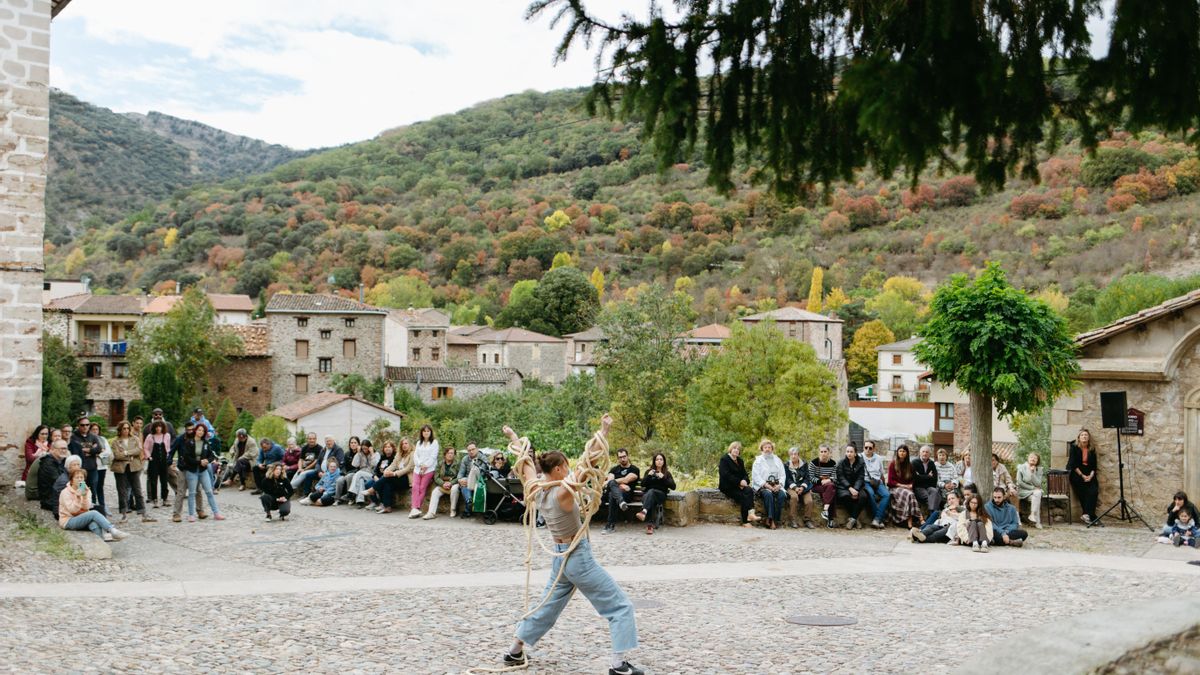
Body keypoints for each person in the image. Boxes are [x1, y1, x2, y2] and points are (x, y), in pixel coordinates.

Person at [502, 415, 642, 675]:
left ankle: (514, 651)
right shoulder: (562, 492)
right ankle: (619, 665)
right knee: (620, 606)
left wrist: (512, 436)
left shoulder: (536, 487)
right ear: (558, 469)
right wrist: (604, 430)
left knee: (546, 605)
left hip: (560, 556)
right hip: (577, 556)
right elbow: (588, 464)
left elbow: (524, 463)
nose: (569, 469)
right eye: (566, 466)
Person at [59, 466, 128, 542]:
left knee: (94, 524)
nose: (79, 479)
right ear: (72, 480)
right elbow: (72, 510)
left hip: (82, 517)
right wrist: (78, 498)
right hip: (68, 520)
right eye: (77, 477)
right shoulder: (65, 492)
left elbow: (87, 507)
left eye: (81, 478)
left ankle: (101, 543)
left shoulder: (86, 490)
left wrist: (84, 496)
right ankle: (112, 530)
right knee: (94, 513)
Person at [179, 424, 224, 522]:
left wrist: (207, 461)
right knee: (192, 493)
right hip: (192, 471)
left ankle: (216, 513)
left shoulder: (205, 443)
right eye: (199, 430)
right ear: (195, 430)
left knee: (209, 491)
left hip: (203, 471)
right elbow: (187, 458)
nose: (200, 432)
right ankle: (191, 515)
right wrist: (199, 462)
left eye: (202, 431)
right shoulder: (189, 442)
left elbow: (211, 455)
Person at [111, 421, 154, 523]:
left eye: (127, 428)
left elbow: (138, 450)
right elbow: (117, 455)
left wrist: (126, 452)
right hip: (120, 468)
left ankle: (143, 513)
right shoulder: (116, 441)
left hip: (133, 467)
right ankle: (124, 514)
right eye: (124, 429)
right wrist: (129, 455)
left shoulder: (135, 439)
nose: (126, 430)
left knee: (137, 490)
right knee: (122, 491)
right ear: (120, 430)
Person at [364, 439, 413, 513]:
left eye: (406, 443)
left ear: (410, 444)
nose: (404, 445)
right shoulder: (399, 454)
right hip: (397, 478)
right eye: (402, 444)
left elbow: (408, 468)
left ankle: (372, 490)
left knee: (388, 478)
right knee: (387, 483)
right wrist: (386, 471)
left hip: (406, 478)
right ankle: (387, 507)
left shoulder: (412, 454)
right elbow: (393, 465)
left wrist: (394, 473)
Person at [718, 441, 759, 527]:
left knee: (749, 490)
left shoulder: (740, 461)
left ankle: (751, 513)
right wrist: (739, 482)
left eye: (738, 449)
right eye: (734, 448)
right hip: (728, 487)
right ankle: (745, 521)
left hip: (739, 486)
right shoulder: (724, 459)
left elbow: (745, 475)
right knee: (744, 496)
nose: (736, 450)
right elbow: (726, 475)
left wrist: (745, 481)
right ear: (730, 449)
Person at [602, 447, 641, 534]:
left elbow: (626, 480)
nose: (622, 459)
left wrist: (616, 483)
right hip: (618, 496)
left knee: (612, 493)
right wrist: (620, 485)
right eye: (620, 457)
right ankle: (620, 502)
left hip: (626, 495)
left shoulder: (634, 469)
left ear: (628, 456)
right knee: (612, 494)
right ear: (618, 458)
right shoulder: (614, 469)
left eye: (624, 456)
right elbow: (609, 482)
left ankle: (610, 525)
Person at [68, 416, 104, 511]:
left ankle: (93, 508)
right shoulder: (74, 437)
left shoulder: (93, 436)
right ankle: (82, 508)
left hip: (92, 468)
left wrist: (88, 450)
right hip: (80, 470)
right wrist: (92, 449)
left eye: (87, 425)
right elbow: (76, 450)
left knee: (93, 489)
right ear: (78, 426)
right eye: (82, 425)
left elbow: (99, 448)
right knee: (82, 489)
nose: (85, 427)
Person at [750, 439, 786, 530]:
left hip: (776, 484)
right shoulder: (757, 461)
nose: (767, 449)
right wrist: (766, 485)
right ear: (762, 449)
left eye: (769, 447)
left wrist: (780, 485)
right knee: (768, 494)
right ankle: (771, 519)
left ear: (772, 449)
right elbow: (756, 476)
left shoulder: (778, 460)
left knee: (782, 495)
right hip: (762, 485)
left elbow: (783, 475)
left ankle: (772, 520)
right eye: (765, 447)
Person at [1066, 428, 1100, 525]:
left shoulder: (1092, 449)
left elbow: (1094, 465)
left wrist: (1090, 476)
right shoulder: (1074, 447)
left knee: (1094, 490)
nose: (1084, 437)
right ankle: (1090, 515)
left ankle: (1086, 514)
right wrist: (1083, 476)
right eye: (1082, 435)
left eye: (1086, 435)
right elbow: (1073, 464)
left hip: (1089, 472)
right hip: (1077, 472)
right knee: (1083, 492)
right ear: (1079, 438)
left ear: (1089, 438)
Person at [635, 453, 674, 535]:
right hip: (648, 496)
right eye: (657, 459)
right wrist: (648, 476)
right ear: (654, 461)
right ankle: (649, 525)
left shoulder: (667, 473)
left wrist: (663, 477)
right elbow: (642, 484)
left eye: (661, 459)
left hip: (660, 495)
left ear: (664, 461)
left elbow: (673, 486)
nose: (659, 461)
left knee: (652, 492)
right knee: (651, 496)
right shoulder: (649, 472)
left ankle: (644, 512)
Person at [835, 443, 869, 529]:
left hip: (858, 486)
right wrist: (850, 488)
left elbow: (861, 477)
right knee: (845, 496)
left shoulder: (861, 462)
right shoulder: (841, 463)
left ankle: (852, 519)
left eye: (851, 452)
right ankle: (856, 519)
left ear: (855, 453)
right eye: (847, 451)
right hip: (844, 487)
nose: (849, 453)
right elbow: (841, 477)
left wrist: (856, 489)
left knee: (864, 496)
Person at [887, 444, 921, 528]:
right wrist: (903, 486)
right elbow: (890, 481)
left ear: (907, 453)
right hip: (895, 488)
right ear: (897, 453)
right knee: (909, 494)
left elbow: (913, 479)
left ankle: (909, 522)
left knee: (910, 494)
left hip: (906, 489)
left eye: (904, 451)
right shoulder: (893, 464)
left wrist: (911, 485)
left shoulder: (909, 465)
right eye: (900, 451)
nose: (902, 453)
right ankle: (920, 518)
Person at [410, 425, 439, 519]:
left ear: (431, 432)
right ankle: (415, 509)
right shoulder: (419, 443)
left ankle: (416, 508)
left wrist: (425, 466)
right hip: (418, 469)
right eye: (424, 431)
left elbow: (433, 457)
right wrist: (420, 465)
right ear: (422, 433)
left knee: (422, 488)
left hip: (429, 469)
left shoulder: (434, 443)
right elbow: (415, 456)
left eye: (428, 431)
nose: (426, 432)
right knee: (415, 486)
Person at [424, 446, 460, 519]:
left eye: (452, 453)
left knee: (455, 489)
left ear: (454, 455)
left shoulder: (458, 464)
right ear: (445, 454)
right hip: (442, 484)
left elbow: (459, 476)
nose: (450, 455)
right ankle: (431, 513)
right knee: (435, 492)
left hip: (453, 484)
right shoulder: (440, 464)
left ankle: (453, 510)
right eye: (448, 453)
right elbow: (436, 477)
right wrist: (443, 483)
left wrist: (451, 483)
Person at [861, 440, 890, 529]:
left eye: (870, 448)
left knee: (887, 495)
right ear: (863, 448)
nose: (868, 450)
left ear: (874, 449)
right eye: (866, 447)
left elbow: (881, 473)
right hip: (866, 481)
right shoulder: (859, 457)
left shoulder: (878, 458)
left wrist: (884, 485)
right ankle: (879, 519)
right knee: (871, 494)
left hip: (877, 482)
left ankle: (877, 519)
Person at [783, 447, 815, 529]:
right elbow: (787, 479)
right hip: (791, 487)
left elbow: (807, 477)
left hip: (803, 487)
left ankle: (807, 520)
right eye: (791, 454)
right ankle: (792, 520)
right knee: (794, 497)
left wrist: (802, 487)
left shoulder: (804, 464)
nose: (793, 456)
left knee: (809, 501)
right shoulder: (786, 465)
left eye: (795, 454)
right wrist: (795, 488)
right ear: (789, 455)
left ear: (798, 455)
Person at [808, 444, 838, 527]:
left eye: (825, 451)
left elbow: (835, 477)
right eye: (821, 451)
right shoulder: (813, 463)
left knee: (831, 487)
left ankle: (825, 510)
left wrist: (829, 480)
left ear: (829, 453)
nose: (823, 453)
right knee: (832, 490)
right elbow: (810, 477)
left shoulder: (833, 463)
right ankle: (830, 519)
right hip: (816, 486)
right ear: (819, 453)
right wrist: (821, 481)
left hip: (828, 485)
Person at [38, 440, 70, 517]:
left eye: (65, 448)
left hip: (63, 499)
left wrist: (82, 490)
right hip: (51, 501)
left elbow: (81, 479)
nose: (64, 451)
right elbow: (62, 484)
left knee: (96, 510)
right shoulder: (48, 463)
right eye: (61, 448)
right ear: (52, 449)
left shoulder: (63, 461)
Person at [143, 420, 171, 507]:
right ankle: (155, 499)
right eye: (157, 426)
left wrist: (168, 457)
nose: (158, 428)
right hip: (153, 461)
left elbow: (168, 447)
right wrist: (149, 456)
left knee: (164, 480)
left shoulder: (166, 436)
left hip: (164, 461)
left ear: (163, 427)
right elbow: (145, 448)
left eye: (160, 426)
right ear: (154, 428)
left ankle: (165, 499)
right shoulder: (150, 436)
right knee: (153, 481)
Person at [345, 439, 379, 506]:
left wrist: (372, 453)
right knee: (360, 480)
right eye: (363, 449)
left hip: (371, 475)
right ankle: (360, 501)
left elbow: (375, 464)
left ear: (369, 447)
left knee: (359, 473)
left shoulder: (376, 454)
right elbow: (354, 464)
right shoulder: (360, 454)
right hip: (361, 475)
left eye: (366, 448)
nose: (364, 450)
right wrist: (358, 453)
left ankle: (351, 492)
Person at [1016, 452, 1045, 529]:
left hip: (1034, 493)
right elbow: (1020, 482)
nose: (1033, 459)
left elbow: (1038, 483)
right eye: (1031, 457)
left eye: (1035, 458)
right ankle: (1037, 522)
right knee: (1037, 494)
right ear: (1028, 458)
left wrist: (1032, 473)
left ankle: (1032, 515)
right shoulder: (1021, 467)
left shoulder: (1039, 469)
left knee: (1037, 495)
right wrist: (1032, 488)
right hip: (1023, 491)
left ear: (1037, 461)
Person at [456, 442, 484, 518]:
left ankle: (467, 510)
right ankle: (469, 501)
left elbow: (483, 473)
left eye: (473, 449)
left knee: (466, 481)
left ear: (477, 449)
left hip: (479, 480)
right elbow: (461, 473)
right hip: (467, 482)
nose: (471, 452)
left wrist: (469, 480)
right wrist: (459, 480)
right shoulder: (465, 459)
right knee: (463, 482)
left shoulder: (482, 458)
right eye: (469, 450)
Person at [912, 444, 941, 515]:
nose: (925, 453)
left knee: (935, 492)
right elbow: (915, 478)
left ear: (929, 454)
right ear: (920, 453)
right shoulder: (914, 462)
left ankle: (932, 515)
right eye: (923, 451)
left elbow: (934, 478)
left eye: (927, 452)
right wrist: (928, 476)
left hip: (929, 487)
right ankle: (933, 514)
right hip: (918, 487)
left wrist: (921, 476)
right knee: (930, 497)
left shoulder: (931, 463)